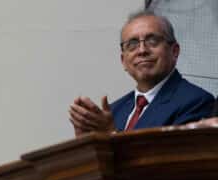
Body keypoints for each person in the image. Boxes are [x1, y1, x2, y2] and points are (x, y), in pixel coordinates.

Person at [69, 10, 215, 137]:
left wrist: (111, 135)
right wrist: (87, 143)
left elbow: (171, 164)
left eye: (152, 41)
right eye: (132, 44)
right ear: (123, 60)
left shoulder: (196, 102)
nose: (142, 50)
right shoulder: (114, 110)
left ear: (174, 51)